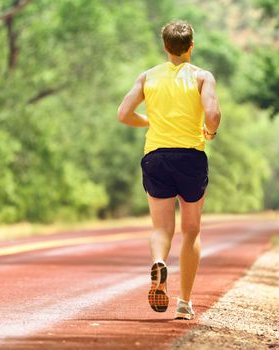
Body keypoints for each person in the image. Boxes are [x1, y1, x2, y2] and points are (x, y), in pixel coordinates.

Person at [117, 20, 221, 320]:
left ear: (165, 47)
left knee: (162, 228)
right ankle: (184, 303)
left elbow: (123, 113)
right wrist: (209, 132)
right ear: (191, 46)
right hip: (190, 157)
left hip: (156, 157)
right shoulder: (202, 77)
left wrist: (150, 121)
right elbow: (212, 115)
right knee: (191, 230)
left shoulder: (147, 76)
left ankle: (160, 261)